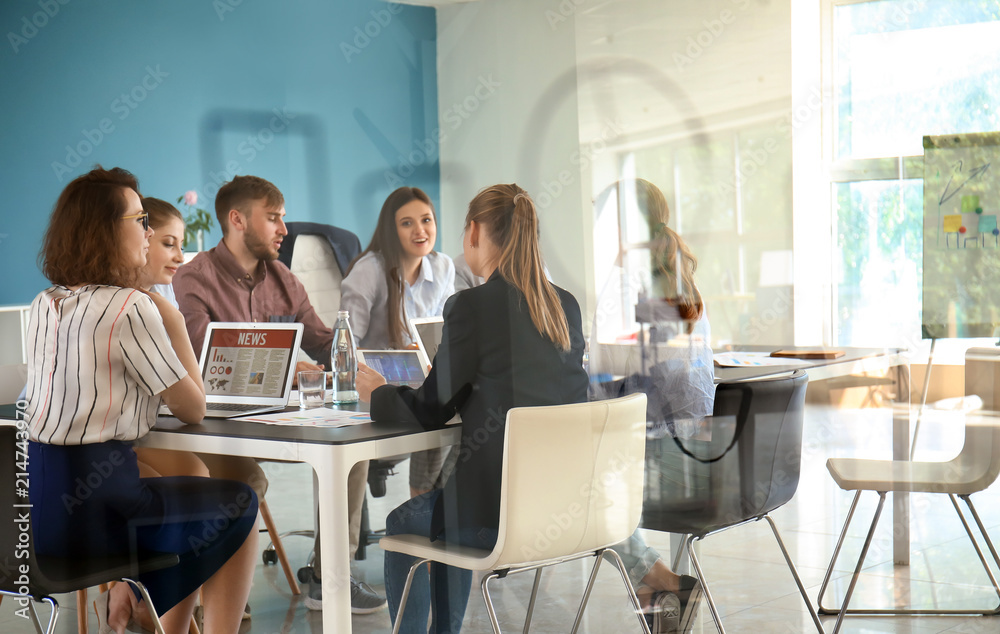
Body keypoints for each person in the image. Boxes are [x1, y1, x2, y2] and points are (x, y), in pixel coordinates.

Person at [24, 167, 258, 634]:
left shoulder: (42, 304)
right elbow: (194, 408)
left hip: (40, 520)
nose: (149, 233)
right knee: (239, 503)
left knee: (188, 488)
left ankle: (138, 602)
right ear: (108, 232)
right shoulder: (132, 308)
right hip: (102, 518)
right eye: (140, 220)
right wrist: (165, 309)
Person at [355, 184, 588, 633]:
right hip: (566, 509)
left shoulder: (471, 306)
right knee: (447, 513)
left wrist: (379, 392)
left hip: (498, 518)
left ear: (475, 231)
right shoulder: (566, 306)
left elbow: (430, 410)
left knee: (407, 523)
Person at [171, 174, 386, 614]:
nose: (284, 230)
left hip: (279, 419)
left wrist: (372, 366)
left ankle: (330, 579)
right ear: (237, 220)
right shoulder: (194, 278)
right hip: (216, 425)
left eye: (282, 218)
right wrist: (289, 371)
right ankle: (220, 592)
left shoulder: (284, 278)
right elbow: (203, 359)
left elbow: (323, 341)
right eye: (273, 219)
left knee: (352, 452)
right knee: (248, 481)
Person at [591, 177, 712, 633]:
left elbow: (607, 375)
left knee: (580, 487)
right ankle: (657, 586)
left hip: (666, 460)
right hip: (703, 455)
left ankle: (657, 580)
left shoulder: (634, 282)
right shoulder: (677, 272)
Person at [340, 186, 455, 499]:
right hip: (375, 391)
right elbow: (346, 350)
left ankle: (437, 517)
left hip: (422, 387)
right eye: (407, 223)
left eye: (427, 220)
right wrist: (399, 358)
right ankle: (421, 515)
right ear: (391, 230)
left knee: (458, 413)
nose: (420, 230)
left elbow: (447, 333)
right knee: (435, 416)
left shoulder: (443, 267)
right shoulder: (369, 271)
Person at [132, 197, 213, 482]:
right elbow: (194, 409)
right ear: (140, 239)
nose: (181, 256)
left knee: (228, 477)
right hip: (108, 444)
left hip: (145, 428)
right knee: (196, 478)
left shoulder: (162, 292)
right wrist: (176, 323)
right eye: (169, 244)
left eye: (181, 245)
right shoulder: (135, 309)